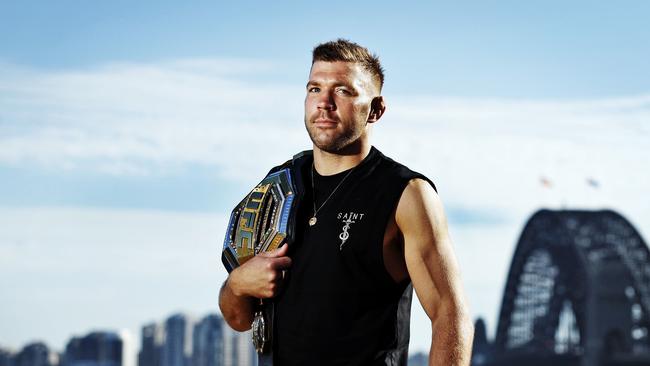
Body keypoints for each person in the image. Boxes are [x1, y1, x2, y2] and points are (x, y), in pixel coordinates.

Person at [219, 39, 473, 366]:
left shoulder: (406, 194)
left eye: (343, 91)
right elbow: (238, 319)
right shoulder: (278, 187)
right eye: (314, 89)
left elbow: (449, 313)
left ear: (376, 109)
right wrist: (238, 284)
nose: (324, 102)